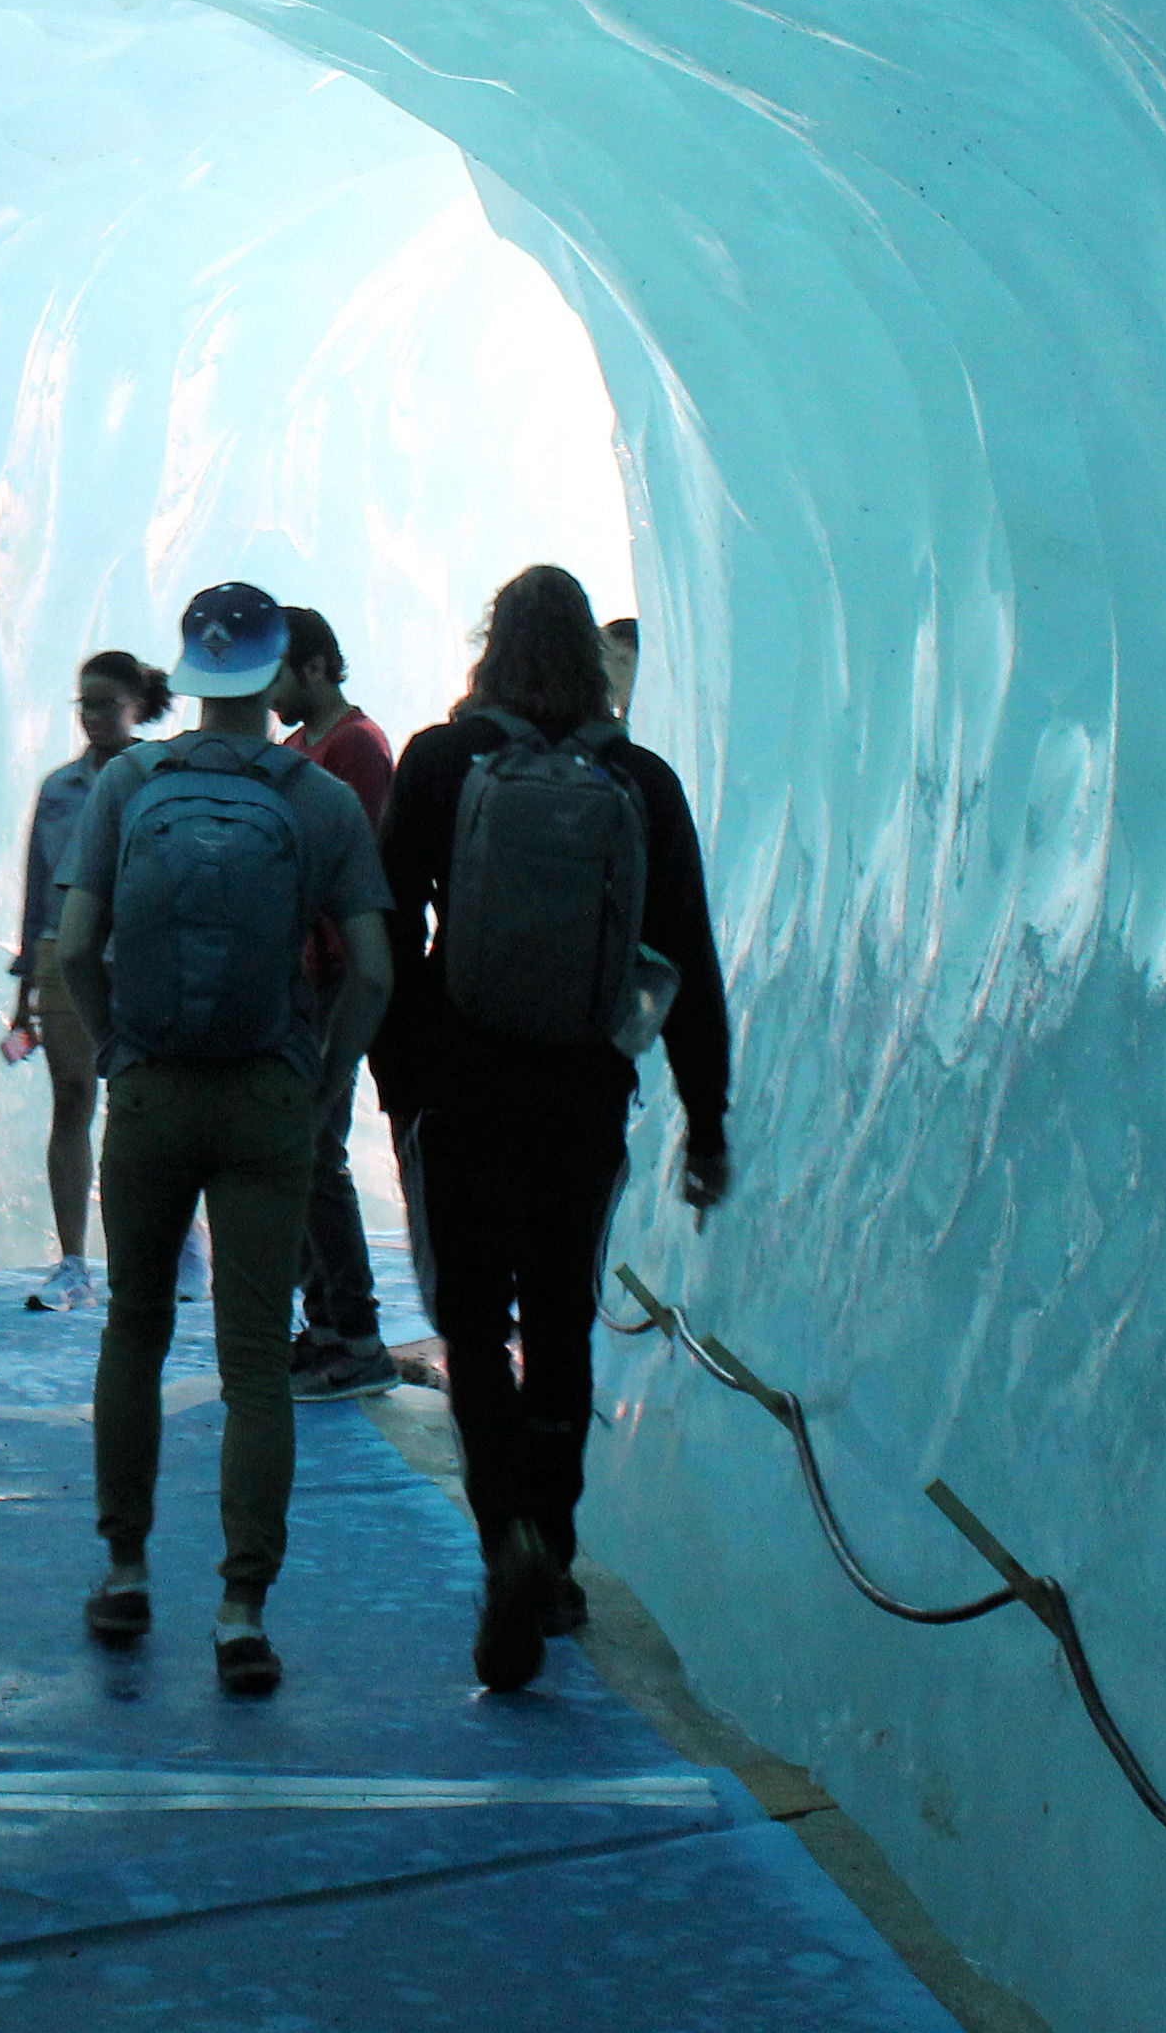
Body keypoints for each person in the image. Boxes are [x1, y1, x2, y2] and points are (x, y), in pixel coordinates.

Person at [371, 564, 732, 1694]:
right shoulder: (639, 780)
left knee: (473, 1328)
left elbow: (385, 928)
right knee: (563, 1320)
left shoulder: (440, 760)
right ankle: (559, 1557)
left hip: (462, 1092)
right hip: (580, 1095)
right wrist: (707, 1120)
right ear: (589, 657)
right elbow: (687, 960)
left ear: (491, 645)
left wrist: (395, 1082)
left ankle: (503, 1544)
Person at [55, 581, 388, 1697]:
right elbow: (380, 968)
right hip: (265, 1095)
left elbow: (72, 951)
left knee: (134, 1334)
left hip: (150, 1090)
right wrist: (321, 1081)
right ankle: (243, 1608)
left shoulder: (126, 784)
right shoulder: (318, 797)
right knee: (255, 1363)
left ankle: (125, 1569)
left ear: (186, 672)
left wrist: (116, 1054)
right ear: (277, 665)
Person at [266, 607, 406, 1406]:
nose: (272, 690)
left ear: (315, 668)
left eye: (281, 673)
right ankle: (325, 1328)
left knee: (319, 1151)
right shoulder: (298, 749)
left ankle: (354, 1335)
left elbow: (362, 867)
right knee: (307, 1152)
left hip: (339, 975)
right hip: (307, 974)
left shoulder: (355, 746)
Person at [4, 648, 168, 1310]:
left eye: (105, 703)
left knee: (143, 1103)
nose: (93, 716)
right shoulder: (59, 787)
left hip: (135, 955)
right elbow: (38, 888)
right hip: (58, 954)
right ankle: (73, 1259)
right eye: (85, 704)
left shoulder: (157, 776)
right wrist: (24, 992)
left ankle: (164, 1248)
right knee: (72, 1099)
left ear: (136, 706)